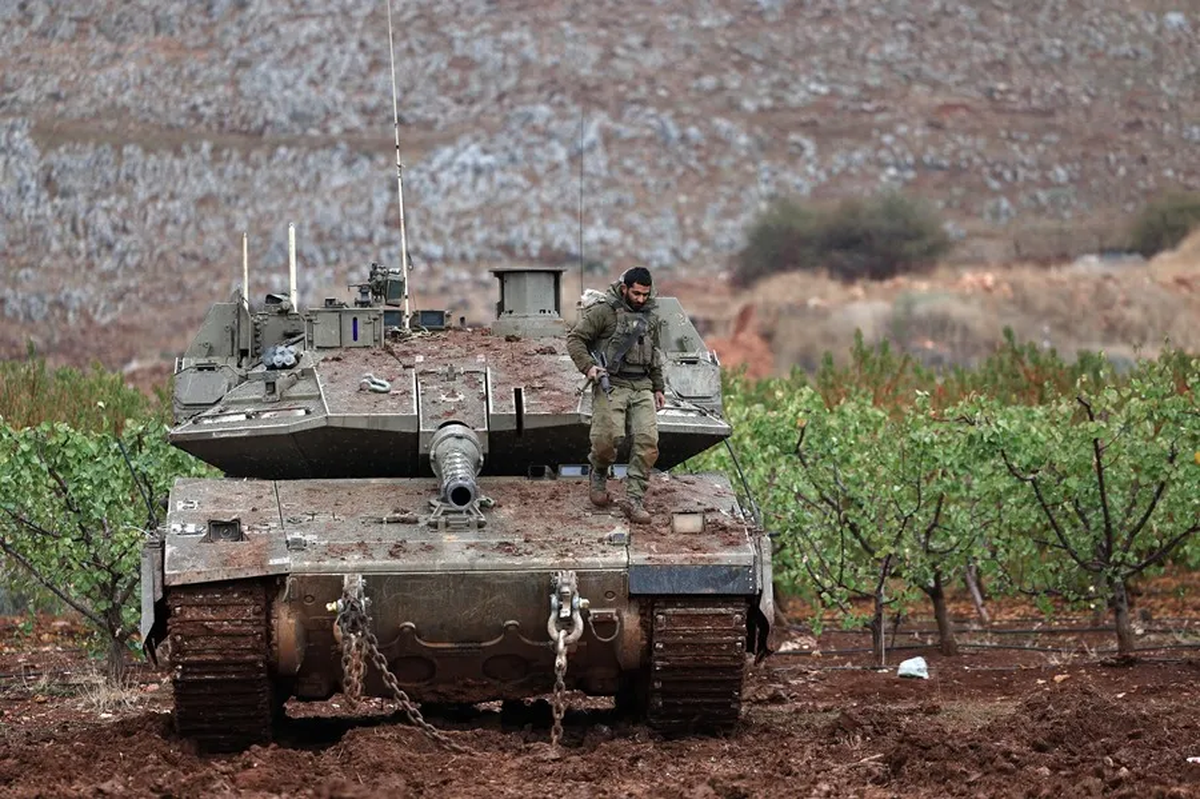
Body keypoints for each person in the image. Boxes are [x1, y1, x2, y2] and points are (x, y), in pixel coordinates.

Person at [566, 267, 666, 524]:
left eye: (645, 294)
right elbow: (575, 339)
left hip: (642, 386)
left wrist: (658, 387)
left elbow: (654, 354)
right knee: (608, 438)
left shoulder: (651, 317)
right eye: (636, 293)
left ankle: (634, 498)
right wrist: (589, 367)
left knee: (647, 441)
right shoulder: (604, 312)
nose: (641, 299)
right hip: (613, 383)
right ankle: (599, 471)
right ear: (624, 288)